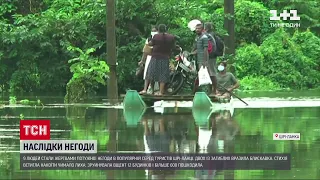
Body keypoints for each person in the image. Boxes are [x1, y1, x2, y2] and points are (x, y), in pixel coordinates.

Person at [139, 24, 176, 95]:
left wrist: (150, 43)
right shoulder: (171, 37)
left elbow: (150, 44)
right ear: (166, 29)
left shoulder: (156, 36)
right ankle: (161, 92)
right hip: (165, 57)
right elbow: (173, 46)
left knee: (150, 73)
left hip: (155, 57)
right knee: (162, 75)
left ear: (158, 30)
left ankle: (145, 90)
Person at [192, 23, 217, 95]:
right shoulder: (198, 37)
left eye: (199, 28)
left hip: (207, 59)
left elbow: (205, 50)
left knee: (211, 74)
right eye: (196, 28)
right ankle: (198, 91)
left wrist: (205, 61)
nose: (197, 30)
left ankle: (214, 90)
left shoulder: (204, 37)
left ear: (203, 29)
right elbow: (199, 49)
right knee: (202, 75)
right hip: (200, 59)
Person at [138, 26, 160, 94]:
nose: (153, 32)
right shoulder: (149, 39)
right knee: (147, 74)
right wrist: (142, 60)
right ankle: (145, 89)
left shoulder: (160, 39)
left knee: (157, 74)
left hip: (158, 57)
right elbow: (145, 51)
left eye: (155, 31)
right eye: (152, 31)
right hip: (150, 57)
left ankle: (157, 90)